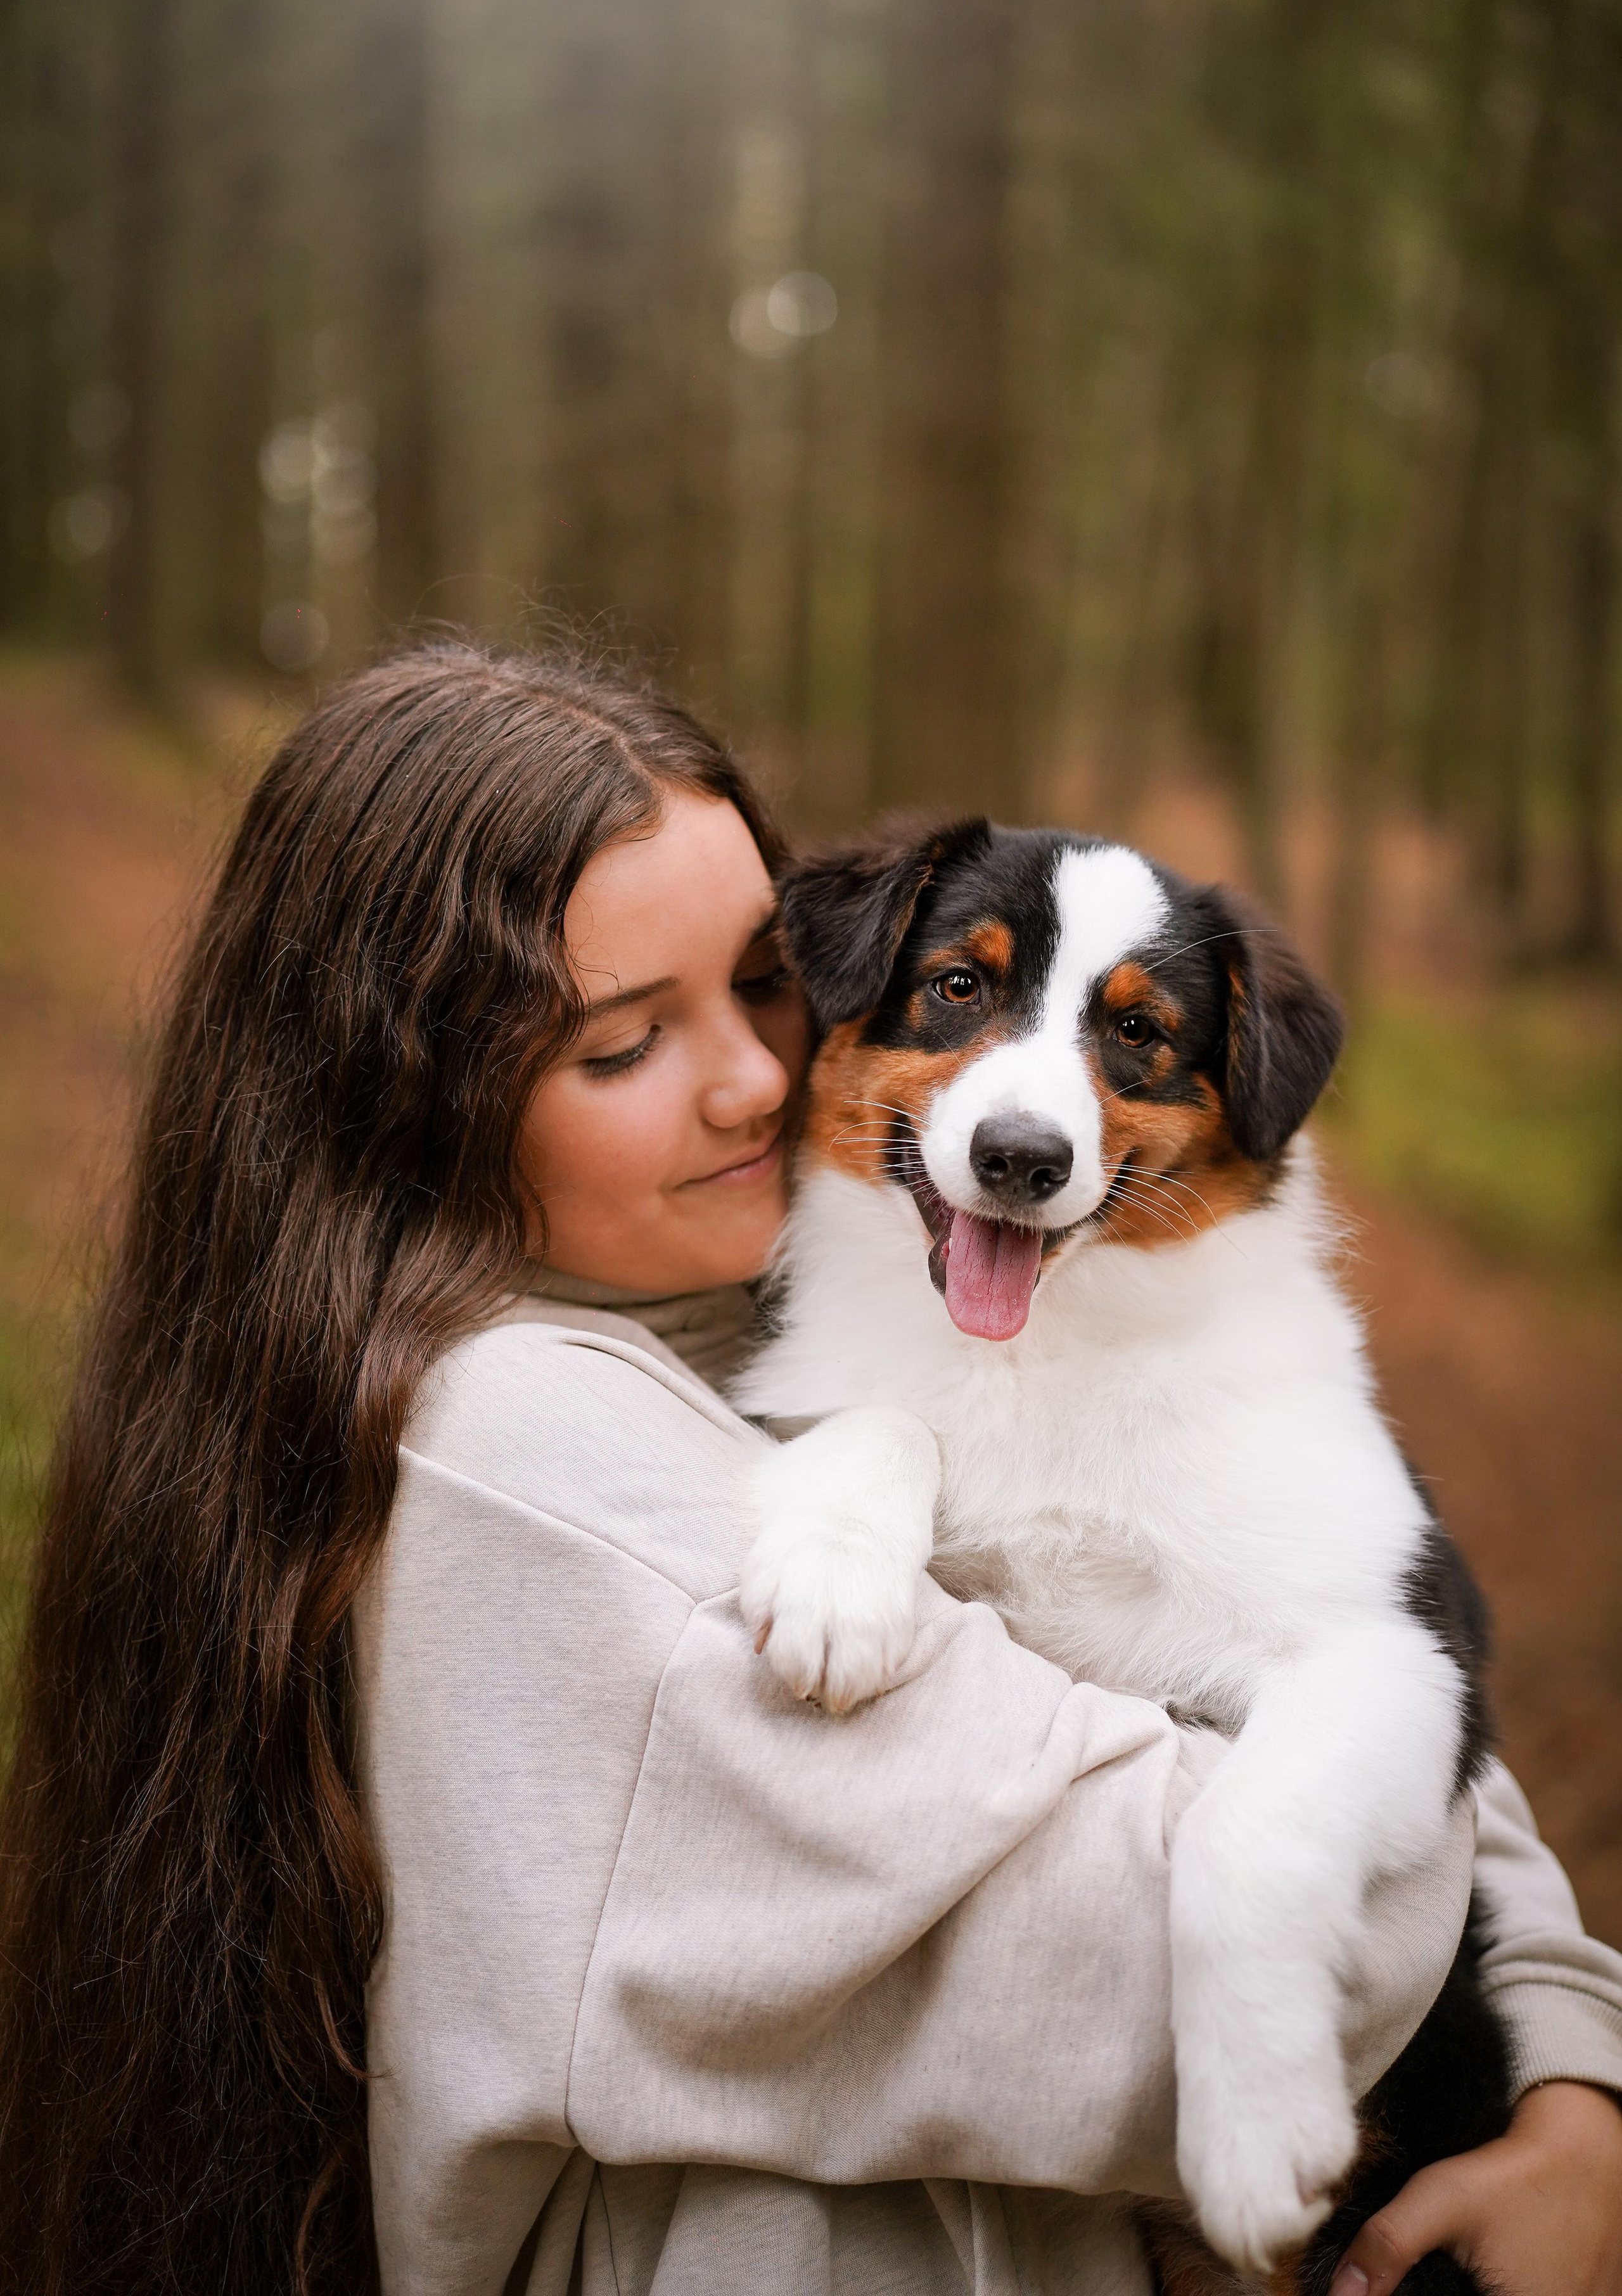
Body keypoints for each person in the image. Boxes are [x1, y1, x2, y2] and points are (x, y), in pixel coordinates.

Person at [0, 642, 1616, 2296]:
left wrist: (1573, 2075)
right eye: (624, 1046)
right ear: (398, 1091)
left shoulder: (769, 1287)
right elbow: (1305, 1950)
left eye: (769, 985)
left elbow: (1405, 1685)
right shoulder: (524, 1463)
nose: (762, 1080)